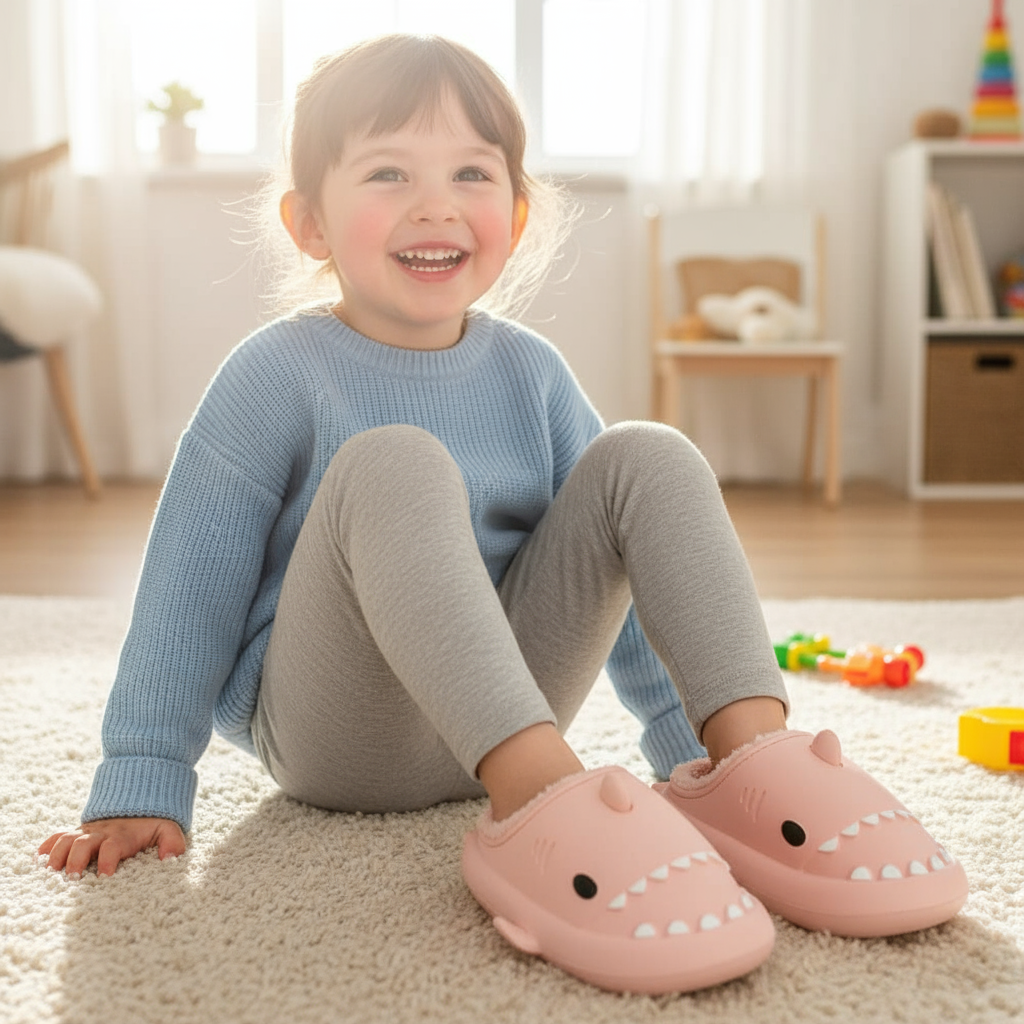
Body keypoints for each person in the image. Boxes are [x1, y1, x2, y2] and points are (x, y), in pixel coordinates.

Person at [38, 35, 967, 995]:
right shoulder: (276, 374)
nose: (435, 203)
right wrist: (143, 774)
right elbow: (190, 582)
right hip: (338, 732)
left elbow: (630, 563)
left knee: (646, 454)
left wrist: (679, 747)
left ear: (515, 219)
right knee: (393, 463)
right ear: (310, 222)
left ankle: (747, 767)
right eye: (388, 171)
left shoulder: (532, 374)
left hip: (509, 702)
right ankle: (542, 798)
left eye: (470, 173)